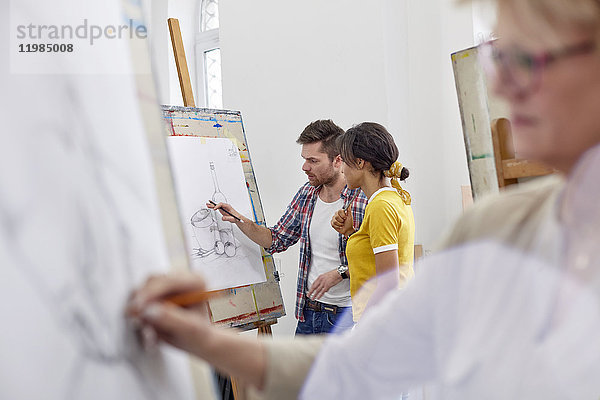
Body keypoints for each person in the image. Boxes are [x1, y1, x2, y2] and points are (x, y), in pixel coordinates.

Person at [127, 0, 600, 397]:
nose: (498, 84)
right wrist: (200, 336)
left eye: (527, 58)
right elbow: (361, 355)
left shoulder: (381, 203)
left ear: (348, 162)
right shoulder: (493, 227)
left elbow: (387, 282)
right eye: (499, 59)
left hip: (351, 311)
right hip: (324, 316)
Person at [207, 119, 368, 335]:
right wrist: (238, 219)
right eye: (304, 159)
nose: (305, 167)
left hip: (348, 316)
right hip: (309, 313)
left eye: (313, 160)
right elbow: (276, 239)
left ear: (337, 161)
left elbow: (378, 261)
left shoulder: (362, 200)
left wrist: (340, 272)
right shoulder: (307, 194)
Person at [330, 122, 415, 322]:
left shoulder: (380, 206)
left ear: (360, 163)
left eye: (344, 161)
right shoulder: (393, 199)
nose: (341, 170)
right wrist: (350, 233)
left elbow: (388, 283)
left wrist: (363, 331)